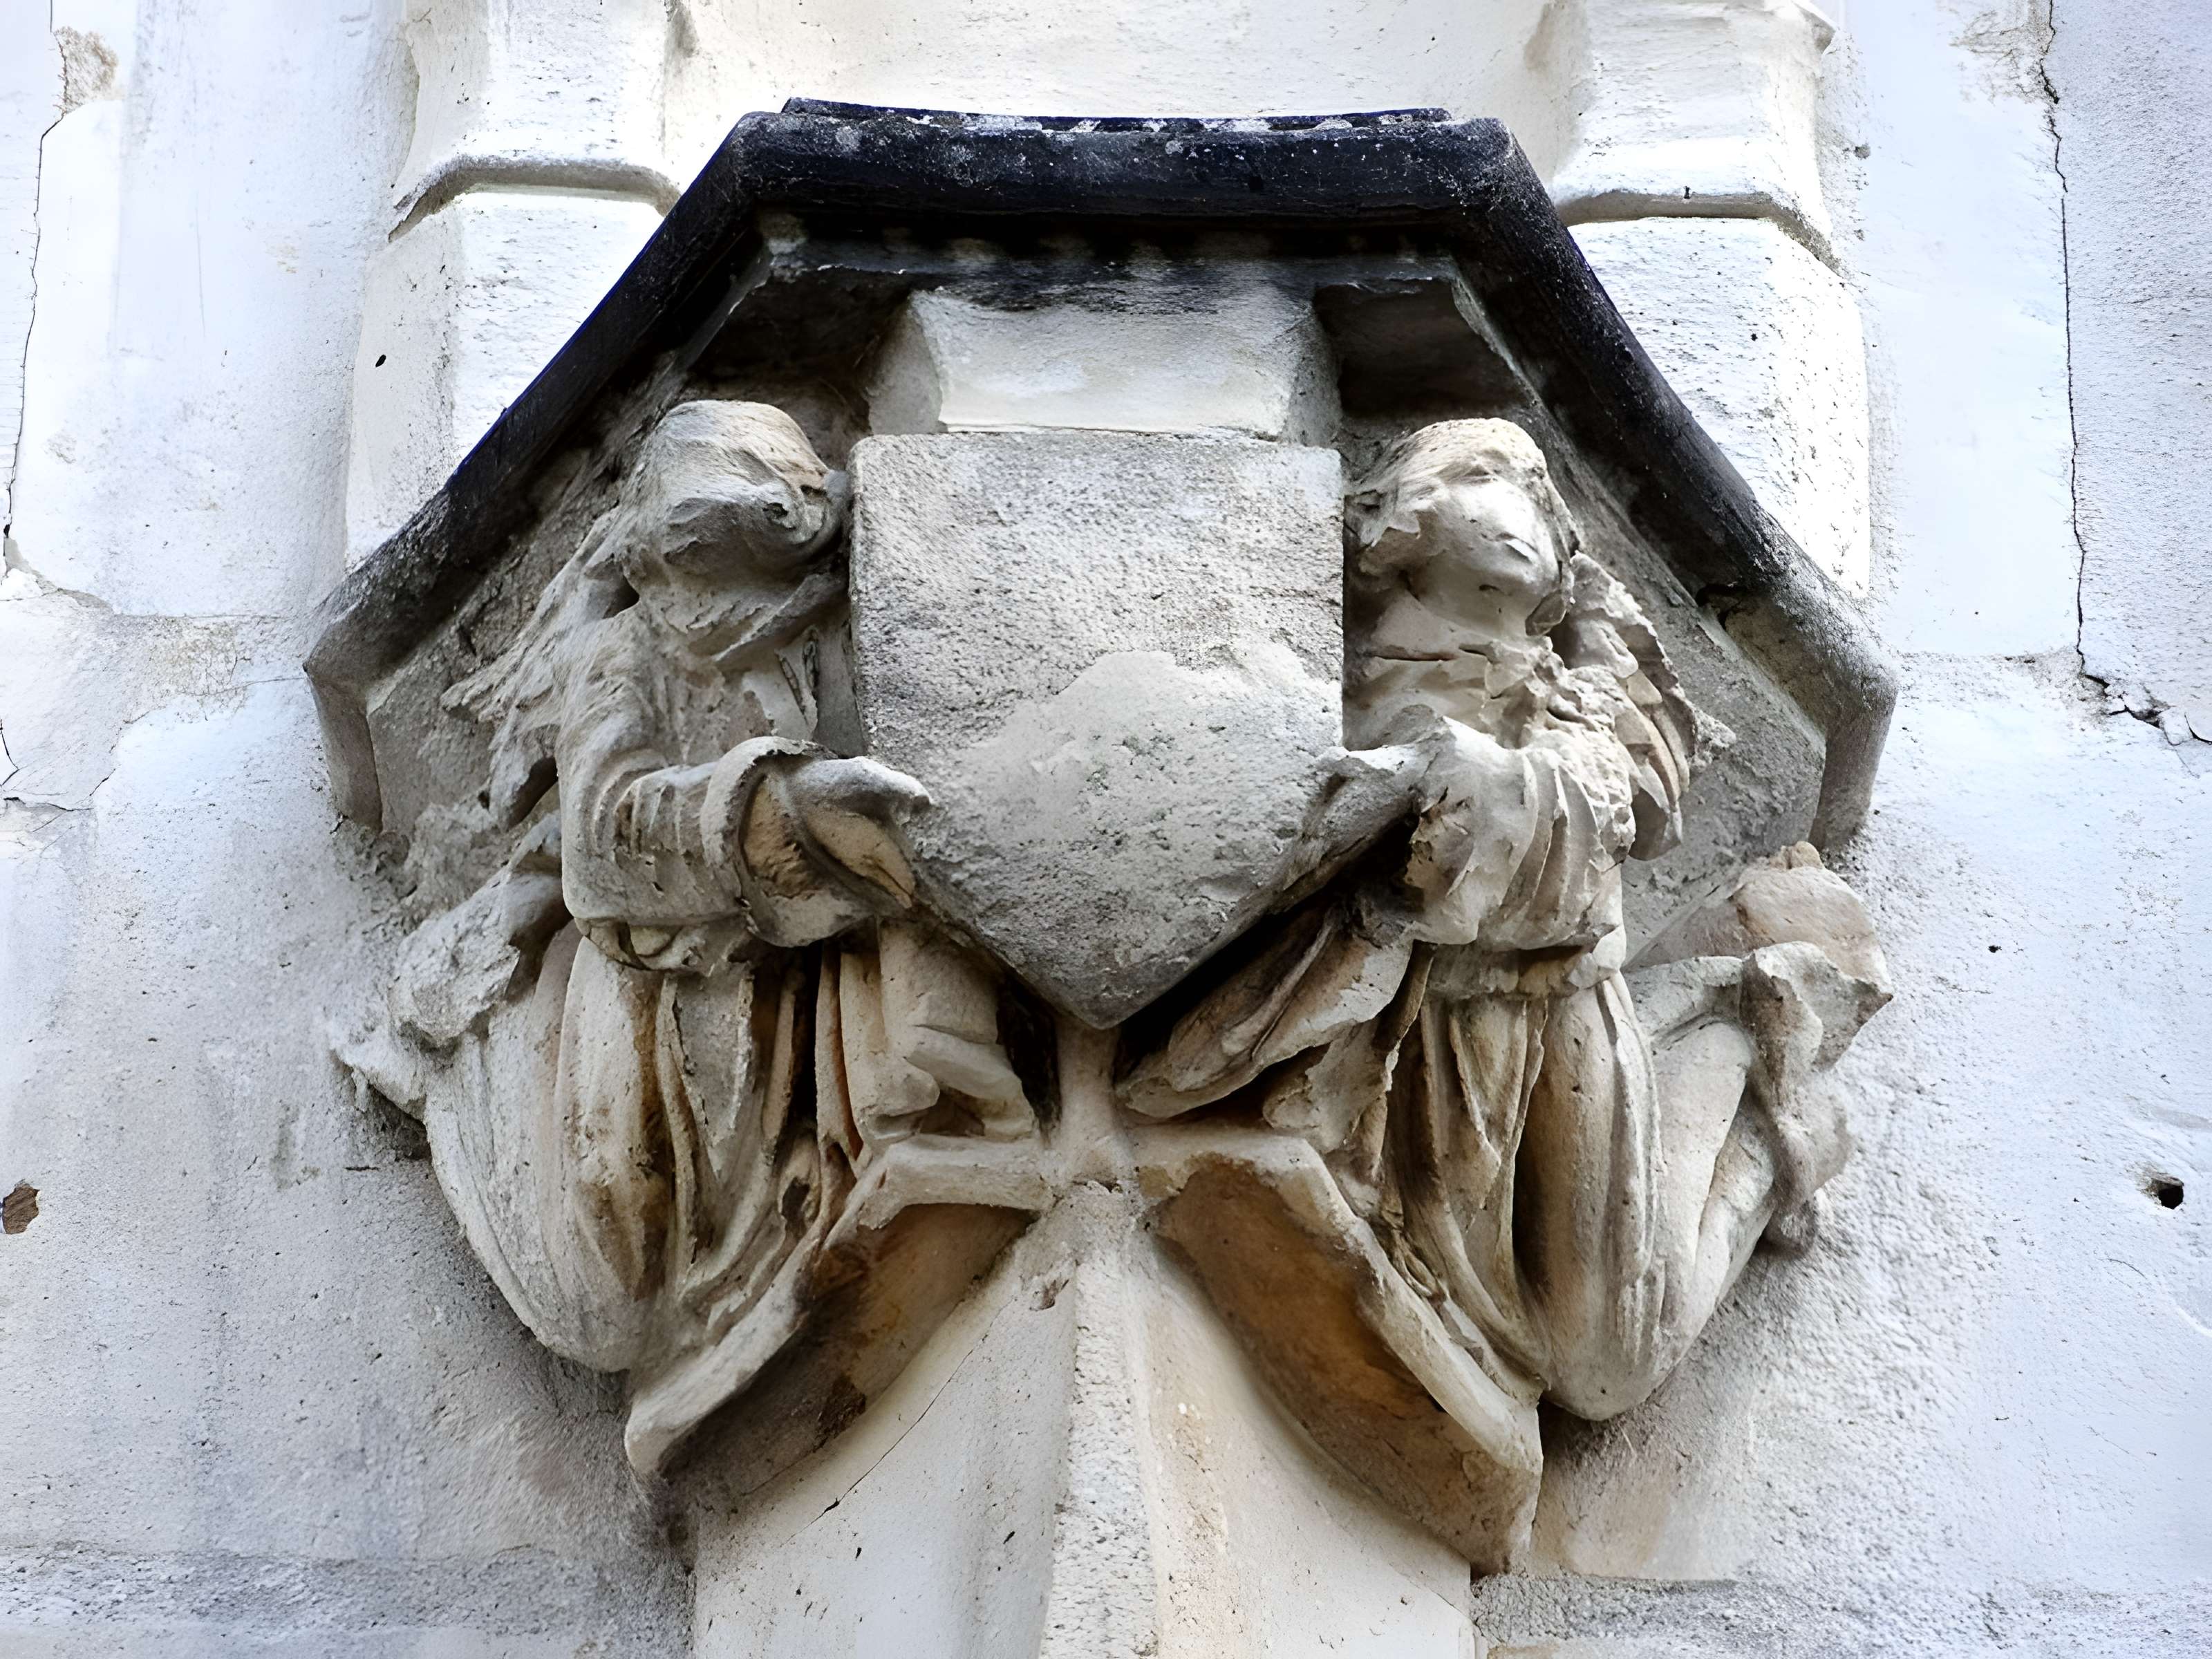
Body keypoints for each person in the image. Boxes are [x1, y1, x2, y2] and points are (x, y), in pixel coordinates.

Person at [1122, 418, 1890, 1418]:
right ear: (1396, 516)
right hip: (1392, 1030)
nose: (1527, 511)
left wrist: (1465, 793)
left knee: (1609, 1365)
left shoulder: (1574, 708)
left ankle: (1750, 1078)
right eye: (1488, 475)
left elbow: (1572, 859)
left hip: (1548, 1013)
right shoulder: (1323, 676)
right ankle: (1714, 1021)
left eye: (1541, 490)